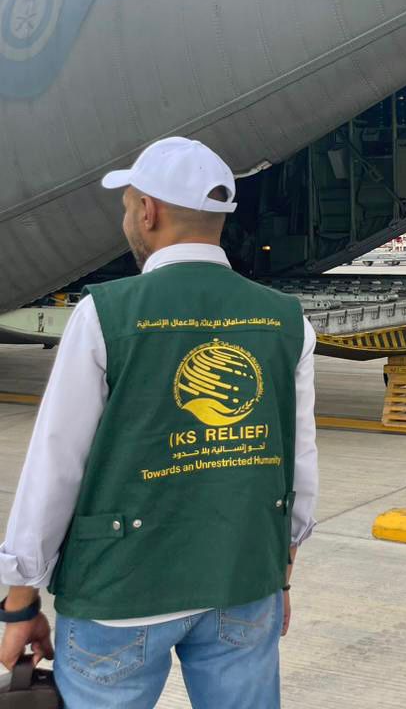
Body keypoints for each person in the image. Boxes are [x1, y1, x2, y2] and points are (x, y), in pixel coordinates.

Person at [0, 137, 319, 709]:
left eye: (127, 204)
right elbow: (298, 469)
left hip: (120, 592)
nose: (128, 216)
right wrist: (279, 577)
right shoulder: (286, 320)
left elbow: (56, 466)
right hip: (243, 582)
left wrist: (21, 599)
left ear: (147, 211)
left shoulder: (106, 313)